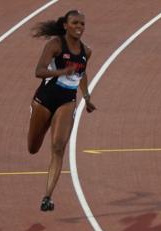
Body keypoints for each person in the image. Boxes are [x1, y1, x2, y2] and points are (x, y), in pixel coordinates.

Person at [29, 9, 95, 211]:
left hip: (67, 101)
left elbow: (81, 74)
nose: (79, 27)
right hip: (45, 99)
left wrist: (86, 96)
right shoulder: (56, 45)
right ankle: (37, 125)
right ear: (66, 25)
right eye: (75, 23)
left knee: (58, 147)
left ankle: (47, 196)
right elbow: (38, 71)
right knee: (33, 148)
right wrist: (61, 71)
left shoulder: (86, 51)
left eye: (82, 24)